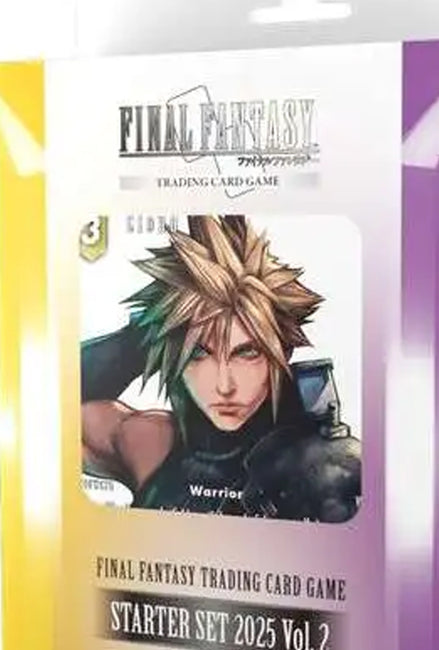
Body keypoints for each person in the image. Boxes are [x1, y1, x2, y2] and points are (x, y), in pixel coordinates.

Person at [81, 215, 360, 522]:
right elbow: (53, 404)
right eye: (199, 354)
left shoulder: (319, 462)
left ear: (281, 353)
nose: (224, 386)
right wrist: (147, 333)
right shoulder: (153, 444)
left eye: (247, 353)